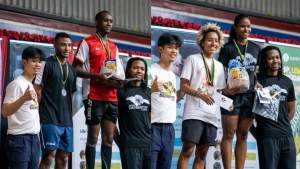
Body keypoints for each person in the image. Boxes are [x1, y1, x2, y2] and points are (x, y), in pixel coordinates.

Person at [177, 23, 233, 169]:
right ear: (202, 42)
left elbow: (217, 92)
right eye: (209, 40)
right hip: (194, 113)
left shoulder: (219, 66)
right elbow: (183, 85)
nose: (213, 43)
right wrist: (198, 94)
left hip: (211, 115)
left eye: (216, 40)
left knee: (202, 154)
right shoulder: (192, 59)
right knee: (187, 151)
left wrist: (227, 103)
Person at [72, 11, 123, 169]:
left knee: (108, 139)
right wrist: (98, 76)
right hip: (93, 96)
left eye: (111, 21)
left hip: (111, 97)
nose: (109, 23)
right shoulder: (87, 42)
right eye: (105, 20)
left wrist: (119, 81)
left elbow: (118, 71)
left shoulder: (113, 47)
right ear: (96, 22)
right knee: (93, 138)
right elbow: (75, 69)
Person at [217, 14, 262, 169]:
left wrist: (257, 84)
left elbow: (255, 73)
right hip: (231, 96)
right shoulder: (227, 48)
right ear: (235, 28)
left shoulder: (256, 48)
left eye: (249, 26)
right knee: (228, 135)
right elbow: (219, 73)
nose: (246, 29)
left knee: (243, 135)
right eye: (243, 26)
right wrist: (224, 90)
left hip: (250, 97)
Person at [34, 32, 77, 169]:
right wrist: (37, 114)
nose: (67, 48)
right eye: (63, 45)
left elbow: (70, 95)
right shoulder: (46, 64)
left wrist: (70, 118)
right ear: (55, 45)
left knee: (63, 159)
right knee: (48, 156)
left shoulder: (72, 70)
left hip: (66, 122)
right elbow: (37, 89)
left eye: (69, 45)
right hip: (49, 118)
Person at [2, 46, 45, 169]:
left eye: (40, 61)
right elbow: (4, 112)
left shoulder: (31, 85)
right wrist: (23, 99)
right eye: (34, 60)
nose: (37, 64)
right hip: (19, 140)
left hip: (34, 140)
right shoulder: (16, 84)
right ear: (24, 62)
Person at [254, 46, 296, 169]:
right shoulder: (257, 81)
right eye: (270, 58)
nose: (275, 60)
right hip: (267, 137)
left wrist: (280, 126)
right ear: (264, 61)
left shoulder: (287, 81)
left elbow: (291, 111)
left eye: (277, 57)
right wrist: (260, 133)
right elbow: (248, 113)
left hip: (287, 137)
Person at [151, 32, 182, 169]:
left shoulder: (172, 76)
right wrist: (151, 89)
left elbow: (172, 100)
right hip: (152, 128)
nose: (174, 51)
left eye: (176, 47)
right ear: (160, 49)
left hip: (169, 129)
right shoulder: (151, 70)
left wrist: (189, 89)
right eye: (170, 47)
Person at [115, 57, 151, 169]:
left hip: (149, 145)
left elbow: (151, 119)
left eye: (142, 68)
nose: (139, 71)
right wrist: (121, 142)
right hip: (130, 145)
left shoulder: (149, 92)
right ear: (129, 70)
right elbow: (111, 121)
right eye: (135, 68)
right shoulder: (120, 91)